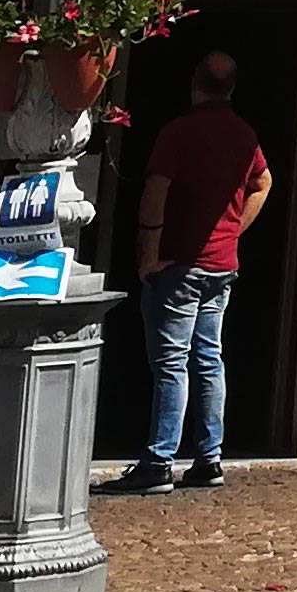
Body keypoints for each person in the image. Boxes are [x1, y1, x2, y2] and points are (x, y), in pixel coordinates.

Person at [116, 47, 270, 492]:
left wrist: (149, 252)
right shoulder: (245, 135)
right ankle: (209, 458)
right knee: (208, 360)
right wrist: (232, 231)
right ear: (233, 89)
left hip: (179, 265)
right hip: (222, 267)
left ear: (194, 84)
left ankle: (159, 460)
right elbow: (264, 182)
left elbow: (155, 192)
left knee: (171, 363)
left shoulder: (178, 133)